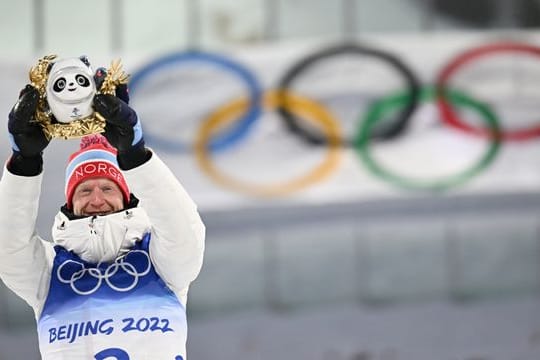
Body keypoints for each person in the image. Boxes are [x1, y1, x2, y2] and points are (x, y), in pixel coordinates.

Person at [0, 62, 205, 359]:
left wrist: (135, 157)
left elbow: (184, 231)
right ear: (69, 203)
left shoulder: (163, 263)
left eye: (108, 188)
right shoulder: (48, 275)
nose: (96, 197)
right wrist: (24, 165)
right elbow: (9, 249)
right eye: (84, 190)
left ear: (127, 197)